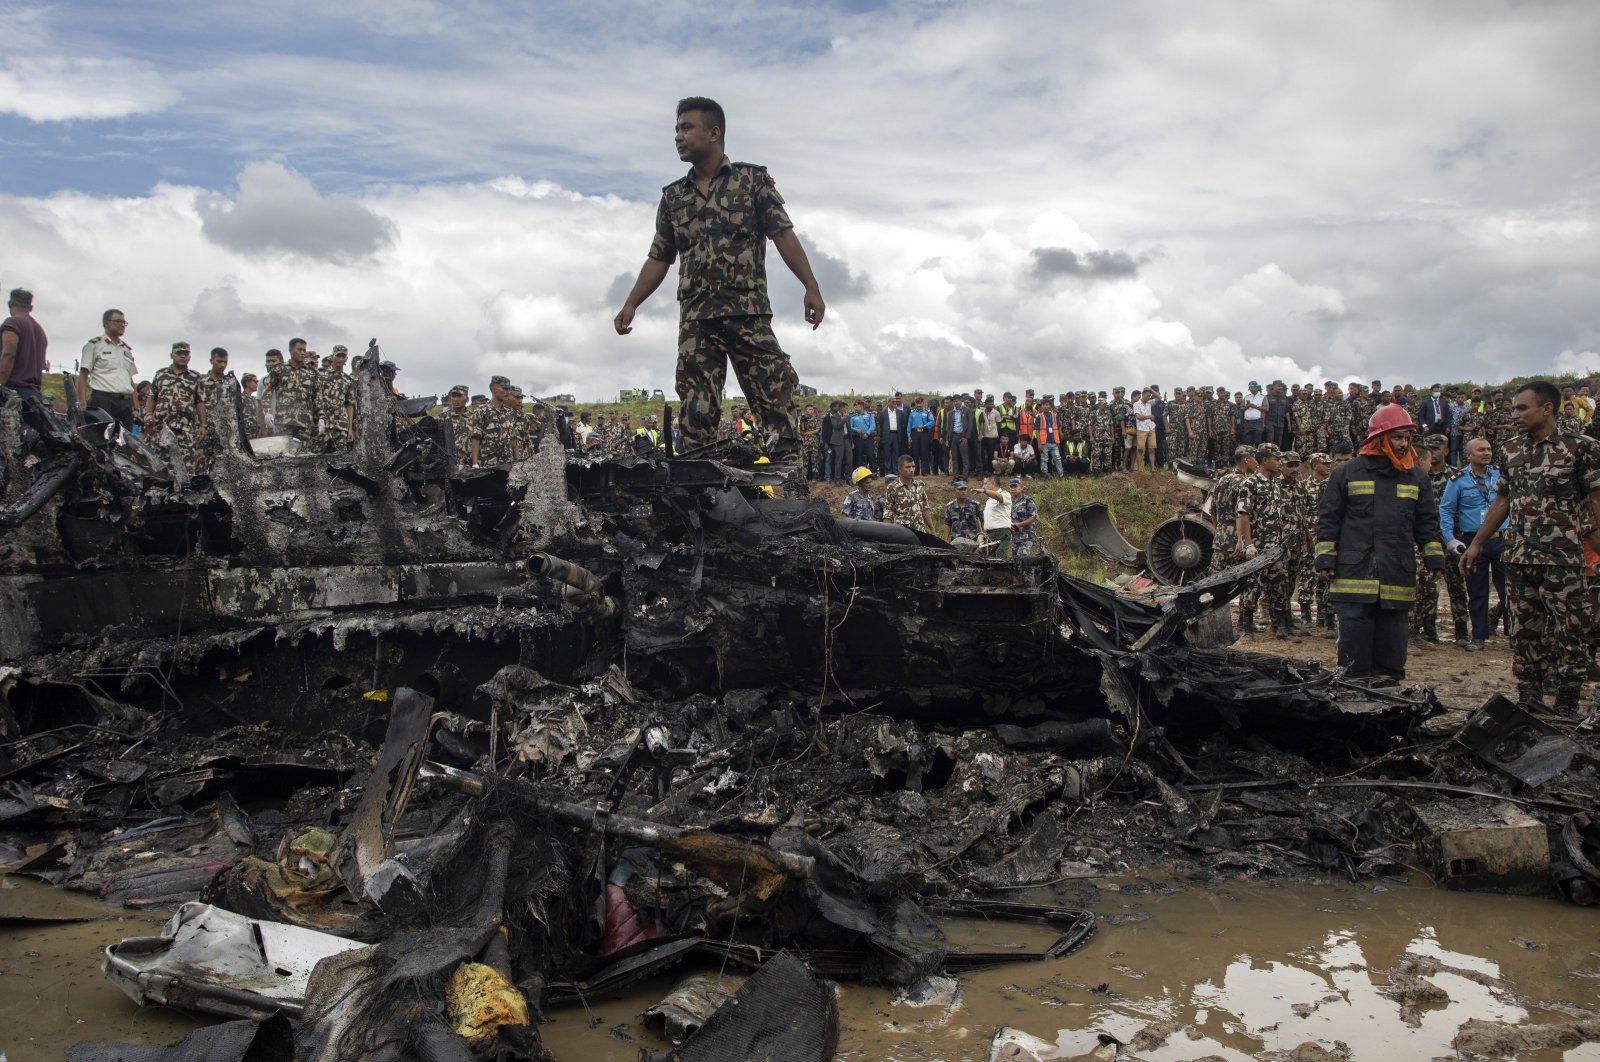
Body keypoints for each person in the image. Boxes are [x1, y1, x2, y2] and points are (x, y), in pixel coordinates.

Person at [613, 96, 825, 479]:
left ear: (714, 133)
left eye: (686, 128)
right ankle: (702, 498)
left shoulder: (751, 180)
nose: (678, 136)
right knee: (696, 419)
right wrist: (632, 303)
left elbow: (783, 235)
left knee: (775, 403)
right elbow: (660, 257)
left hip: (748, 315)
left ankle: (791, 496)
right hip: (697, 323)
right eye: (676, 129)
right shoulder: (673, 197)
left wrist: (810, 285)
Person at [1462, 381, 1600, 714]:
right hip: (1520, 557)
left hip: (1565, 559)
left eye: (1522, 408)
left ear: (1547, 409)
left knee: (1573, 633)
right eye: (1513, 409)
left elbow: (1597, 500)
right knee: (1524, 633)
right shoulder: (1510, 450)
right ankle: (1530, 697)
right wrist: (1478, 543)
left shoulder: (1581, 448)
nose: (1515, 416)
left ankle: (1567, 698)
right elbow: (1503, 500)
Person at [1314, 404, 1445, 680]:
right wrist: (1325, 558)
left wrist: (1434, 557)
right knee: (1353, 650)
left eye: (1407, 437)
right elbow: (1329, 519)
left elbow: (1426, 523)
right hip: (1353, 574)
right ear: (1378, 438)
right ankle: (1353, 697)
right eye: (1397, 437)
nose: (1403, 443)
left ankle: (1388, 698)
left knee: (1392, 644)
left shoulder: (1417, 477)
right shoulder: (1347, 472)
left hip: (1396, 572)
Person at [1442, 437, 1509, 651]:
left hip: (1502, 539)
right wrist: (1449, 538)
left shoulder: (1500, 474)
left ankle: (1513, 635)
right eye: (1481, 450)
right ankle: (1479, 636)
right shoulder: (1458, 480)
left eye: (1489, 449)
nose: (1487, 453)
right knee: (1477, 591)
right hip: (1473, 542)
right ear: (1469, 455)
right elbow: (1446, 510)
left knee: (1510, 590)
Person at [146, 342, 203, 468]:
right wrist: (148, 414)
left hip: (185, 429)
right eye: (179, 353)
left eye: (186, 353)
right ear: (172, 355)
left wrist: (202, 425)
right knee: (159, 465)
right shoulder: (161, 375)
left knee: (185, 466)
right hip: (161, 427)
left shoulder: (195, 377)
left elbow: (199, 402)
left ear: (190, 356)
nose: (182, 356)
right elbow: (152, 396)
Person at [78, 308, 137, 428]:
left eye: (124, 322)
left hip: (125, 403)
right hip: (103, 400)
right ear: (106, 323)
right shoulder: (94, 345)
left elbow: (130, 380)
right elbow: (83, 376)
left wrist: (135, 407)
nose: (122, 325)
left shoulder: (126, 350)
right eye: (118, 321)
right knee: (102, 442)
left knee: (126, 443)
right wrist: (82, 404)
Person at [0, 289, 47, 401]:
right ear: (30, 308)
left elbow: (8, 355)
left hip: (12, 395)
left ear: (11, 304)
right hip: (34, 397)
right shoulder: (40, 331)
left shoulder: (12, 323)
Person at [471, 375, 523, 465]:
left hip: (508, 464)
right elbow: (476, 439)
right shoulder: (481, 411)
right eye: (504, 389)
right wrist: (475, 464)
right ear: (494, 389)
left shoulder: (510, 412)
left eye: (508, 389)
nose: (507, 392)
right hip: (488, 465)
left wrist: (517, 462)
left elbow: (514, 440)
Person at [883, 455, 933, 534]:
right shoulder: (892, 488)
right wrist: (886, 533)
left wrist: (932, 529)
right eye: (908, 467)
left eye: (913, 466)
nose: (911, 470)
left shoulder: (919, 486)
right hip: (901, 532)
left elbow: (925, 508)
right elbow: (888, 513)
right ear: (900, 469)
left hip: (919, 531)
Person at [978, 476, 1013, 556]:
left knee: (999, 556)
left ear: (992, 483)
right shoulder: (989, 500)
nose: (983, 486)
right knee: (990, 557)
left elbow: (999, 497)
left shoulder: (1005, 494)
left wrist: (984, 491)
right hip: (990, 534)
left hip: (1001, 532)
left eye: (985, 484)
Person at [943, 480, 983, 550]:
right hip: (956, 542)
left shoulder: (975, 505)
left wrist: (983, 535)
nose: (963, 491)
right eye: (961, 489)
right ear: (954, 491)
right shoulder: (949, 506)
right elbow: (947, 523)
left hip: (972, 541)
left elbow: (983, 520)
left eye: (965, 489)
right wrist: (946, 540)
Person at [1010, 477, 1040, 557]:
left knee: (1023, 558)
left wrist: (1019, 524)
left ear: (1021, 487)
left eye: (1015, 486)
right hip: (1015, 537)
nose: (1013, 489)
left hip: (1026, 536)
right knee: (1015, 560)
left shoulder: (1027, 500)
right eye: (1011, 487)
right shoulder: (1009, 502)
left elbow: (1034, 517)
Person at [906, 395, 934, 475]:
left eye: (920, 402)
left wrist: (924, 426)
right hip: (914, 434)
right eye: (917, 402)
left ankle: (925, 471)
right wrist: (909, 436)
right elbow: (909, 425)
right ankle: (915, 472)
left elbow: (932, 422)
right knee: (915, 453)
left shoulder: (927, 412)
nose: (919, 404)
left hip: (924, 433)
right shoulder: (912, 413)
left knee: (924, 452)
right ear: (915, 403)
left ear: (923, 402)